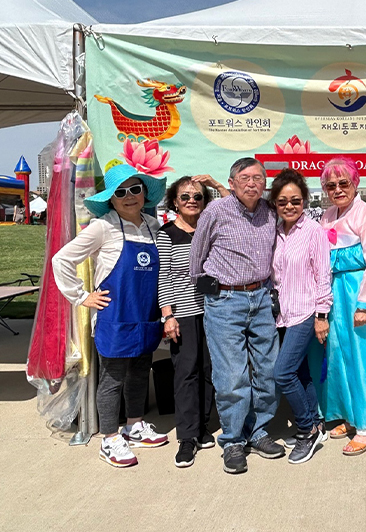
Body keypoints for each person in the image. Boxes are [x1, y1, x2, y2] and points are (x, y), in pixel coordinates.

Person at [52, 163, 168, 467]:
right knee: (113, 379)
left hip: (146, 315)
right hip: (115, 318)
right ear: (111, 199)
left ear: (144, 193)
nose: (129, 196)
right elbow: (62, 260)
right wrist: (81, 296)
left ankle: (134, 425)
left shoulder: (153, 227)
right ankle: (109, 438)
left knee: (141, 372)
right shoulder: (102, 227)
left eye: (135, 189)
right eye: (121, 192)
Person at [189, 157, 284, 474]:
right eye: (245, 177)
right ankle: (232, 440)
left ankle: (258, 431)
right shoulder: (216, 211)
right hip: (225, 299)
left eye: (258, 177)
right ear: (231, 183)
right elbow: (196, 259)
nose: (252, 183)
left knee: (267, 370)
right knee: (232, 376)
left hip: (261, 297)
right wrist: (209, 291)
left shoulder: (270, 212)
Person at [315, 158, 366, 455]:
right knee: (340, 357)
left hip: (359, 295)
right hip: (335, 297)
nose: (337, 190)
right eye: (330, 185)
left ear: (355, 182)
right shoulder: (326, 215)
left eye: (343, 183)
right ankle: (350, 415)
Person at [156, 174, 228, 468]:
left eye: (197, 196)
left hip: (214, 310)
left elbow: (233, 207)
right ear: (175, 202)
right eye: (185, 196)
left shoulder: (211, 228)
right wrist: (168, 315)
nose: (191, 201)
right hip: (182, 313)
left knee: (210, 369)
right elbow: (164, 277)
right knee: (186, 372)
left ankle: (202, 427)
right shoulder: (167, 234)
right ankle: (187, 437)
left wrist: (217, 185)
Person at [270, 168, 332, 464]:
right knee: (300, 372)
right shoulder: (275, 232)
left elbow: (323, 275)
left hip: (306, 313)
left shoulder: (313, 232)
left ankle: (306, 430)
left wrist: (322, 315)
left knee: (282, 373)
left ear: (305, 201)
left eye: (295, 200)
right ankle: (316, 422)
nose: (289, 206)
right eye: (283, 201)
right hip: (282, 314)